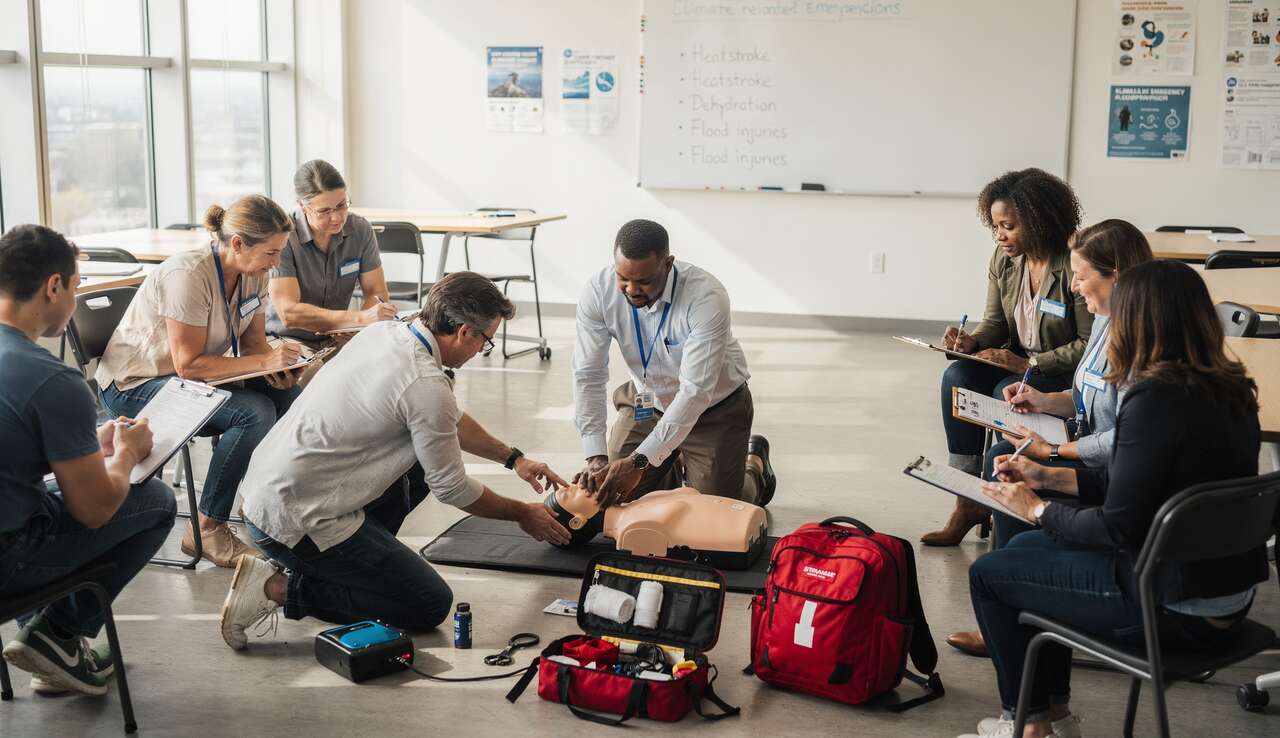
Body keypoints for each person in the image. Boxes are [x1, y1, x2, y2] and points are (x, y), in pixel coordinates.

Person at [959, 260, 1267, 738]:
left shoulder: (1154, 398)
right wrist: (1048, 477)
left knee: (989, 574)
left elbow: (1117, 527)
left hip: (1167, 605)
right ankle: (1053, 717)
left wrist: (1036, 509)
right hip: (1222, 594)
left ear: (1139, 321)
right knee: (1022, 553)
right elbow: (1143, 488)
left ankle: (1028, 726)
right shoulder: (1230, 389)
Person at [219, 272, 570, 649]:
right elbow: (452, 487)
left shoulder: (387, 332)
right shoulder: (425, 384)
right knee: (427, 603)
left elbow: (441, 416)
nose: (481, 350)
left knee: (417, 468)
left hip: (263, 494)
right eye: (486, 342)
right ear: (465, 332)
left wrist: (513, 458)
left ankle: (341, 568)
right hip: (293, 520)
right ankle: (278, 587)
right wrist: (522, 513)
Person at [946, 219, 1154, 658]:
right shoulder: (1105, 317)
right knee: (1005, 452)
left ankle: (1012, 595)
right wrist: (1043, 400)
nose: (1075, 287)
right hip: (1093, 449)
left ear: (1115, 273)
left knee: (1010, 461)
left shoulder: (1140, 341)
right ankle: (1013, 601)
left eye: (1081, 277)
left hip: (1108, 467)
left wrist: (1056, 451)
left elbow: (1128, 439)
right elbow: (1084, 396)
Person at [0, 225, 176, 697]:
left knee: (50, 491)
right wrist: (126, 454)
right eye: (75, 287)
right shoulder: (52, 379)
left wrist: (79, 446)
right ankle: (56, 635)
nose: (74, 299)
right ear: (52, 286)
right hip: (7, 559)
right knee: (157, 499)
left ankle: (51, 642)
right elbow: (95, 509)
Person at [97, 196, 302, 568]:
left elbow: (255, 343)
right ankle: (207, 527)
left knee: (287, 396)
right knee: (253, 414)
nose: (277, 262)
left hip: (185, 377)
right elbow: (189, 366)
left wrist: (278, 367)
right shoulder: (188, 276)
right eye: (272, 253)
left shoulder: (255, 272)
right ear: (238, 243)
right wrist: (263, 361)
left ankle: (262, 506)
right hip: (136, 384)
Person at [923, 168, 1091, 546]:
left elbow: (1088, 342)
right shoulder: (1005, 260)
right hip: (1016, 362)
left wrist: (1030, 365)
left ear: (1038, 221)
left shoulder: (1074, 263)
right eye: (995, 226)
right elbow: (995, 325)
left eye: (1008, 226)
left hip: (1059, 372)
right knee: (957, 377)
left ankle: (1007, 493)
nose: (999, 235)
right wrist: (969, 341)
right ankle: (967, 499)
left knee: (1004, 388)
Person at [571, 219, 776, 509]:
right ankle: (669, 464)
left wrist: (640, 462)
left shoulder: (706, 297)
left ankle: (754, 468)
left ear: (668, 265)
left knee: (715, 512)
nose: (631, 290)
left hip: (713, 407)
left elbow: (695, 392)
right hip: (648, 400)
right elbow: (588, 375)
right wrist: (595, 457)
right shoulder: (598, 292)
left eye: (643, 281)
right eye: (623, 278)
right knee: (613, 493)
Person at [266, 159, 396, 348]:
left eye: (342, 205)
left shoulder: (360, 229)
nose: (336, 218)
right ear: (302, 206)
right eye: (324, 211)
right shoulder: (283, 236)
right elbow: (289, 313)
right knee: (315, 374)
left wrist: (356, 329)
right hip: (288, 340)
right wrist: (357, 319)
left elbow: (376, 292)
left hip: (339, 337)